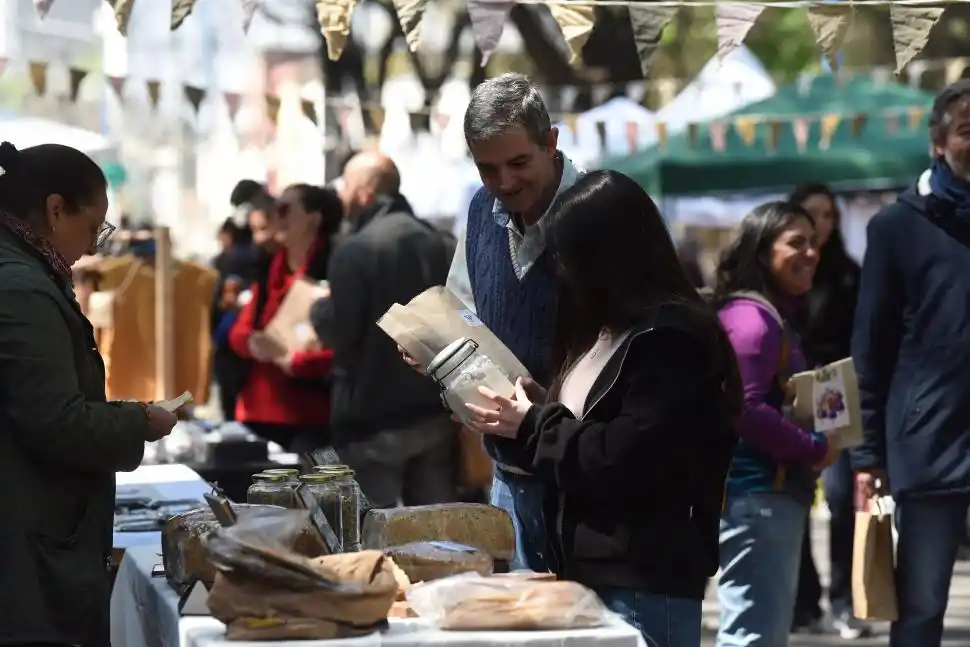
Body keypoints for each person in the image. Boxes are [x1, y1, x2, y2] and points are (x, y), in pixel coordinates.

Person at [462, 171, 740, 645]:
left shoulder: (672, 339)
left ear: (609, 258)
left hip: (642, 576)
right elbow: (586, 425)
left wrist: (532, 423)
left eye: (569, 260)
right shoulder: (604, 329)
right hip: (590, 569)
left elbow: (623, 455)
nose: (563, 273)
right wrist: (535, 402)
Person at [0, 141, 177, 646]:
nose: (95, 246)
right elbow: (56, 422)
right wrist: (138, 421)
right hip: (25, 547)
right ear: (56, 210)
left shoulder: (27, 274)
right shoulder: (20, 288)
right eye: (94, 225)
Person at [437, 72, 585, 572]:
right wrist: (438, 355)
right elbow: (464, 309)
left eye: (519, 163)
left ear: (551, 143)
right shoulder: (482, 209)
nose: (505, 183)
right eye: (487, 169)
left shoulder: (602, 210)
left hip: (588, 480)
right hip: (508, 472)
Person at [852, 80, 970, 646]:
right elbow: (869, 350)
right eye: (968, 131)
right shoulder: (897, 228)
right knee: (921, 607)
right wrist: (867, 454)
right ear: (938, 142)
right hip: (928, 449)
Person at [713, 201, 840, 647]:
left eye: (813, 242)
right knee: (754, 635)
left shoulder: (760, 313)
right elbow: (744, 410)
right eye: (796, 242)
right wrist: (815, 448)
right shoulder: (753, 320)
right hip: (758, 498)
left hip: (764, 498)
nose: (811, 253)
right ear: (762, 251)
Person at [310, 152, 457, 507]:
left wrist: (318, 309)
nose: (340, 194)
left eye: (345, 184)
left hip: (371, 418)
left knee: (372, 536)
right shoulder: (441, 242)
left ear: (364, 193)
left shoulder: (356, 250)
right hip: (434, 413)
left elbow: (340, 331)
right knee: (436, 536)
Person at [789, 184, 870, 639]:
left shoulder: (848, 274)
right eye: (811, 214)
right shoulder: (781, 271)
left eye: (827, 215)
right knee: (795, 497)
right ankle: (805, 600)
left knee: (840, 497)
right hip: (792, 392)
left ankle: (843, 600)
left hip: (837, 390)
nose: (820, 223)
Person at [228, 184, 341, 452]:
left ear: (314, 218)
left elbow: (348, 345)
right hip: (256, 413)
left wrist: (298, 362)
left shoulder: (337, 266)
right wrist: (251, 342)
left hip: (310, 417)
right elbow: (240, 330)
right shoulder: (268, 267)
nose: (275, 216)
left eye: (285, 209)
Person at [212, 191, 280, 422]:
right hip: (256, 394)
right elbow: (240, 331)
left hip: (289, 407)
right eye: (254, 231)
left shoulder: (285, 271)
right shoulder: (262, 267)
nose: (259, 239)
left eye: (263, 229)